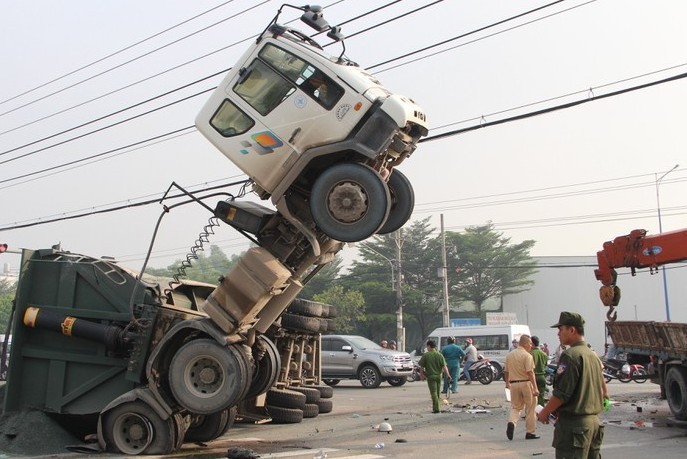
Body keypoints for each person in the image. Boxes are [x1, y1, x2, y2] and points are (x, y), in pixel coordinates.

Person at [537, 312, 608, 458]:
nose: (558, 334)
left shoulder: (570, 356)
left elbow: (562, 393)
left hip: (575, 426)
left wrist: (545, 411)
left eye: (561, 329)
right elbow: (600, 387)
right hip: (593, 423)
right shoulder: (592, 355)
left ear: (572, 330)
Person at [504, 334, 540, 441]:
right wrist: (535, 388)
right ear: (525, 344)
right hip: (526, 383)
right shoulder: (527, 356)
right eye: (529, 343)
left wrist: (507, 383)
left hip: (514, 384)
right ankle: (530, 432)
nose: (531, 346)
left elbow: (506, 371)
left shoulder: (509, 355)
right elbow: (530, 372)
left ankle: (512, 422)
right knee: (530, 408)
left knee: (516, 407)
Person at [418, 340, 452, 413]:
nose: (427, 348)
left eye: (427, 346)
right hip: (439, 376)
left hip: (431, 376)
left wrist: (421, 375)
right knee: (437, 393)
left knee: (433, 393)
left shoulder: (426, 355)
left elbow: (421, 367)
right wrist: (448, 375)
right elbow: (444, 367)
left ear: (429, 346)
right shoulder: (439, 355)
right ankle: (435, 407)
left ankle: (436, 409)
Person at [531, 335, 548, 406]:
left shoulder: (530, 354)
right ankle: (541, 413)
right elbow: (546, 365)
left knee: (532, 396)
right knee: (541, 396)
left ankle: (532, 413)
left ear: (532, 343)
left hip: (533, 377)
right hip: (542, 377)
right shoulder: (544, 354)